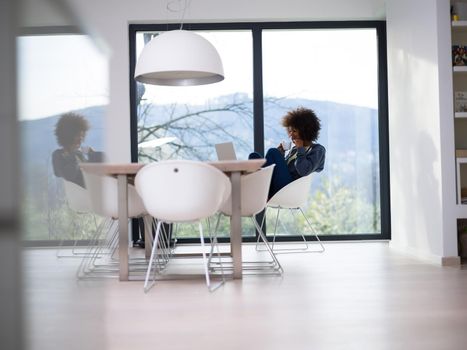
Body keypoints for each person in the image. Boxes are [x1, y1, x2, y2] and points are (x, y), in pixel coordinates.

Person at [249, 107, 326, 198]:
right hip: (279, 184)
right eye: (290, 131)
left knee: (272, 152)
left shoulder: (318, 150)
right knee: (254, 157)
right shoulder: (294, 149)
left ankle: (259, 189)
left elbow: (304, 171)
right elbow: (285, 169)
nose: (291, 135)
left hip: (289, 190)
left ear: (306, 131)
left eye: (294, 131)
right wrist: (281, 155)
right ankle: (260, 188)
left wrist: (300, 149)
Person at [52, 112, 104, 188]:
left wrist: (93, 154)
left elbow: (97, 170)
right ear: (68, 135)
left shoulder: (80, 153)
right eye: (78, 136)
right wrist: (75, 155)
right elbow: (68, 175)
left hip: (93, 190)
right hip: (82, 195)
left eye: (82, 136)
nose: (81, 139)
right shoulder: (58, 155)